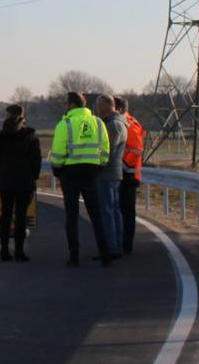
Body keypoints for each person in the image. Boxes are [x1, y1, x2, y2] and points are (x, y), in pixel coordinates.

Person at [49, 90, 111, 267]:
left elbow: (58, 152)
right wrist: (100, 165)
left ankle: (74, 256)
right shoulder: (98, 122)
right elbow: (105, 147)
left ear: (71, 105)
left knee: (72, 216)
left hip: (70, 172)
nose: (64, 107)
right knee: (96, 215)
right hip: (91, 171)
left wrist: (57, 168)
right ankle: (105, 255)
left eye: (65, 103)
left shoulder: (65, 123)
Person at [0, 103, 41, 261]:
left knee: (5, 215)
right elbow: (36, 160)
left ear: (8, 115)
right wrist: (33, 176)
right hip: (24, 181)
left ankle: (4, 250)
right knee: (21, 216)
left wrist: (0, 174)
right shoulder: (31, 136)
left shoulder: (0, 136)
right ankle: (20, 251)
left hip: (5, 180)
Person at [92, 95, 126, 265]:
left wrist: (96, 166)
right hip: (112, 174)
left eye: (98, 106)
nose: (97, 110)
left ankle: (111, 247)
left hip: (107, 174)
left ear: (105, 106)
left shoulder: (114, 125)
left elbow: (109, 151)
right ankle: (115, 245)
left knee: (107, 212)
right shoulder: (116, 123)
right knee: (112, 210)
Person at [115, 96, 145, 255]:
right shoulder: (125, 123)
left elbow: (136, 151)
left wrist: (121, 165)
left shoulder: (130, 124)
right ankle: (121, 243)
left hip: (128, 174)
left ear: (119, 109)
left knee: (126, 211)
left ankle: (126, 245)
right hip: (124, 173)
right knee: (122, 210)